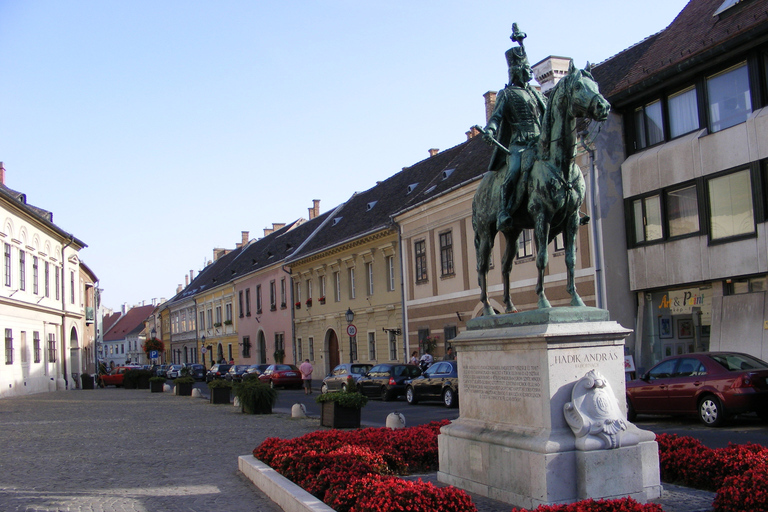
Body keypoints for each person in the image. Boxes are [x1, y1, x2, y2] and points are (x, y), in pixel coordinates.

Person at [483, 23, 547, 231]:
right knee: (514, 171)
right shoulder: (507, 94)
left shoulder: (536, 94)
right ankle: (503, 211)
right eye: (524, 68)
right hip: (519, 144)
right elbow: (497, 116)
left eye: (528, 68)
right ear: (515, 70)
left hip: (540, 142)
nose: (527, 71)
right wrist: (491, 129)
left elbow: (549, 112)